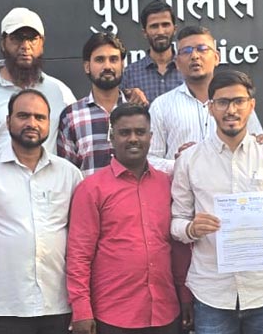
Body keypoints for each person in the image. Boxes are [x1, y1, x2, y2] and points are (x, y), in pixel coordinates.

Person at [170, 70, 263, 334]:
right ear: (210, 107)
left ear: (251, 105)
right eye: (223, 102)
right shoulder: (190, 160)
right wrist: (191, 228)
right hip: (212, 291)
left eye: (239, 101)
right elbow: (176, 222)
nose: (231, 110)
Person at [0, 89, 82, 334]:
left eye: (40, 117)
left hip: (56, 303)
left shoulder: (69, 174)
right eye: (23, 116)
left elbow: (78, 240)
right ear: (8, 121)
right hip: (2, 305)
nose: (32, 123)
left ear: (48, 123)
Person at [67, 104, 189, 334]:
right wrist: (81, 310)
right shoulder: (91, 189)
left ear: (150, 137)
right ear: (112, 138)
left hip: (165, 311)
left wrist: (185, 296)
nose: (133, 139)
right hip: (113, 315)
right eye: (125, 133)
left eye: (140, 132)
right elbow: (79, 255)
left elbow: (177, 248)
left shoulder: (167, 184)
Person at [0, 7, 76, 166]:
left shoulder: (59, 92)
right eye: (17, 38)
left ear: (42, 43)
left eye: (32, 39)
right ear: (3, 43)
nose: (25, 46)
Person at [149, 26, 263, 174]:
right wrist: (179, 163)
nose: (195, 56)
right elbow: (150, 159)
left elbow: (257, 147)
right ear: (177, 63)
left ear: (216, 58)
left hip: (233, 185)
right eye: (186, 51)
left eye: (202, 49)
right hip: (182, 186)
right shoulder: (161, 106)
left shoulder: (238, 103)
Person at [58, 32, 130, 176]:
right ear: (87, 67)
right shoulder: (71, 116)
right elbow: (66, 175)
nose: (107, 66)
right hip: (88, 191)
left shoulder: (137, 111)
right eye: (100, 60)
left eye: (113, 59)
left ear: (122, 65)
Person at [121, 0, 183, 103]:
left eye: (165, 25)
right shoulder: (129, 74)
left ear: (175, 29)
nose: (160, 32)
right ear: (144, 32)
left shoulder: (187, 70)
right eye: (154, 26)